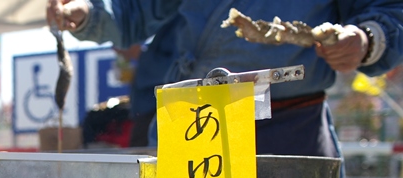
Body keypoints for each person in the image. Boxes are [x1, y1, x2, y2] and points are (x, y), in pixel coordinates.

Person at [46, 1, 403, 161]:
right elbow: (137, 8)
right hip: (191, 122)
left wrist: (367, 38)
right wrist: (91, 13)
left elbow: (388, 11)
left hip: (291, 127)